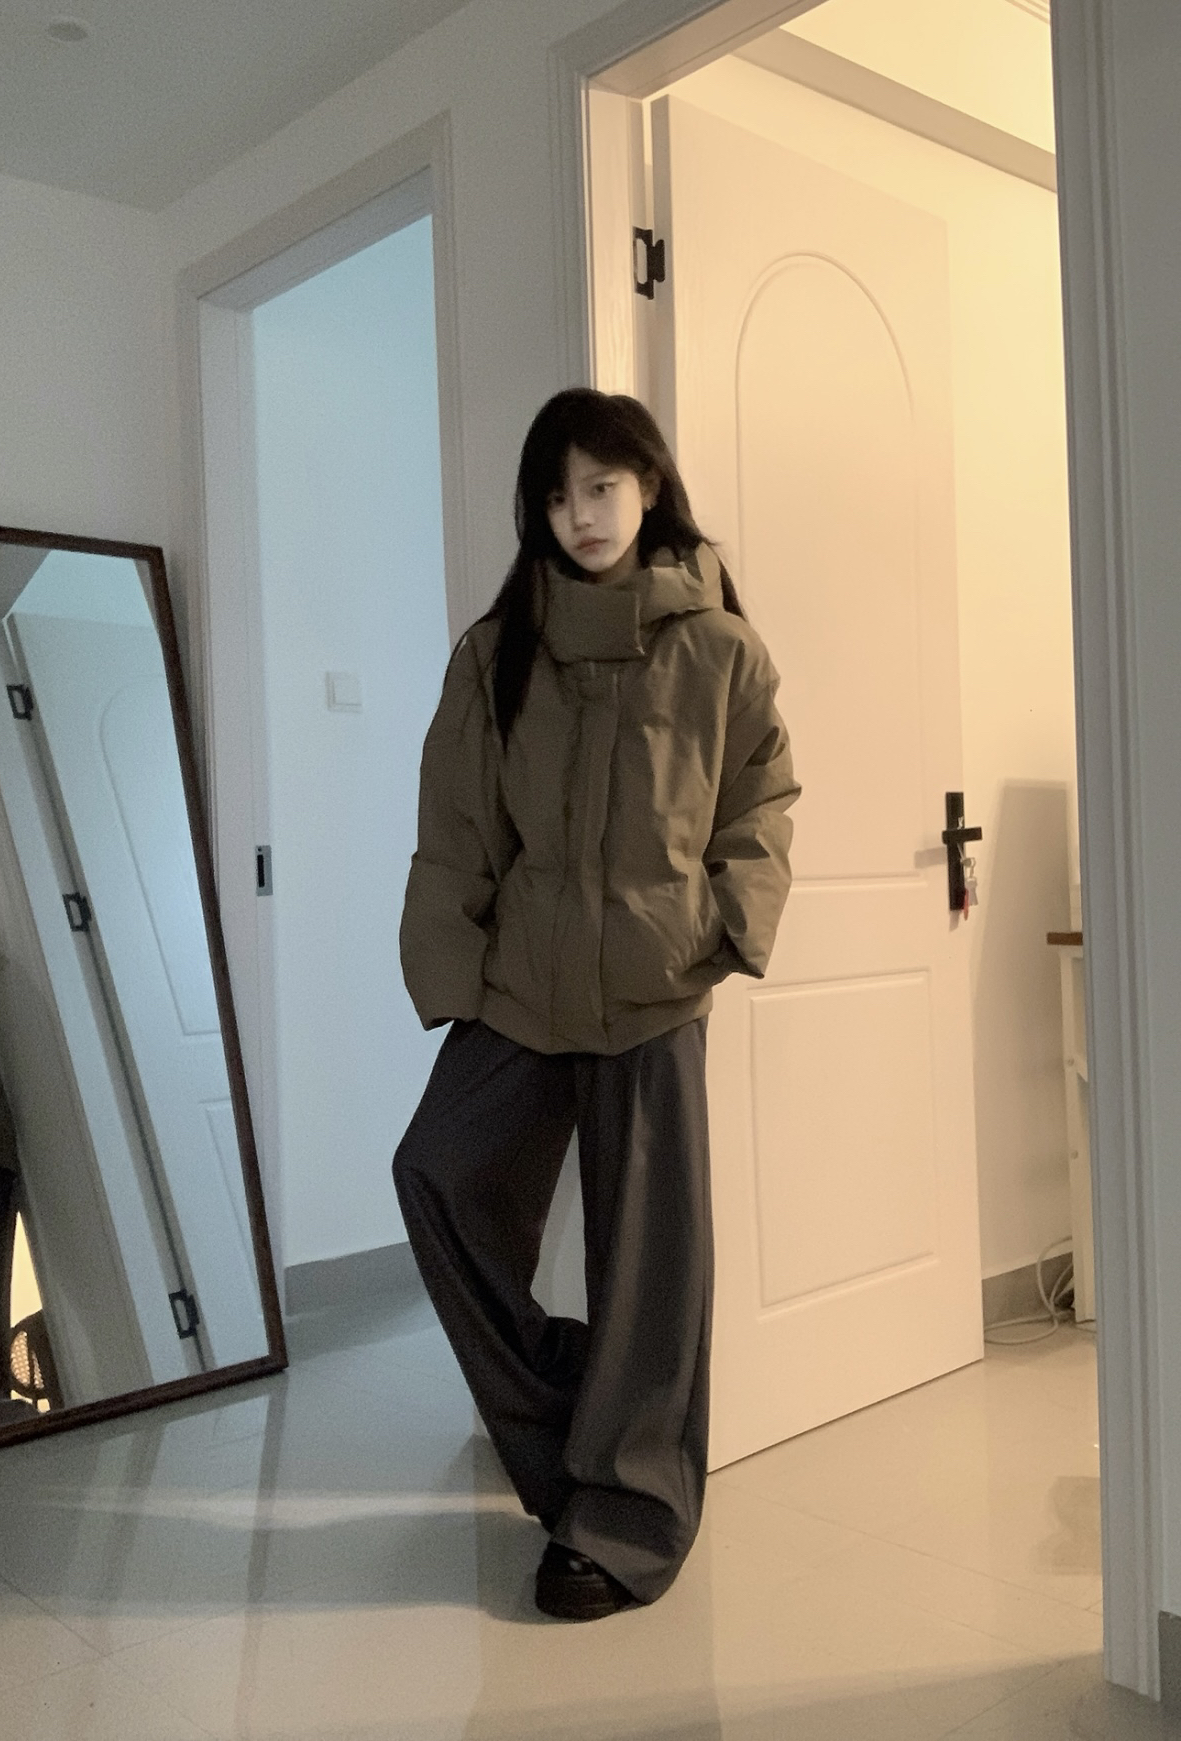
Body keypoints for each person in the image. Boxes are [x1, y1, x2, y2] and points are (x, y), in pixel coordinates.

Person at [393, 387, 799, 1621]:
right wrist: (451, 981)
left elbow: (762, 798)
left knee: (651, 1261)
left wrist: (722, 924)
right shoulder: (495, 653)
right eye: (558, 494)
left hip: (656, 988)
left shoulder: (720, 649)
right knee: (438, 1173)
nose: (581, 513)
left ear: (649, 487)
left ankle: (623, 1521)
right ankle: (583, 1409)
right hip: (523, 986)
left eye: (602, 487)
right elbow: (457, 828)